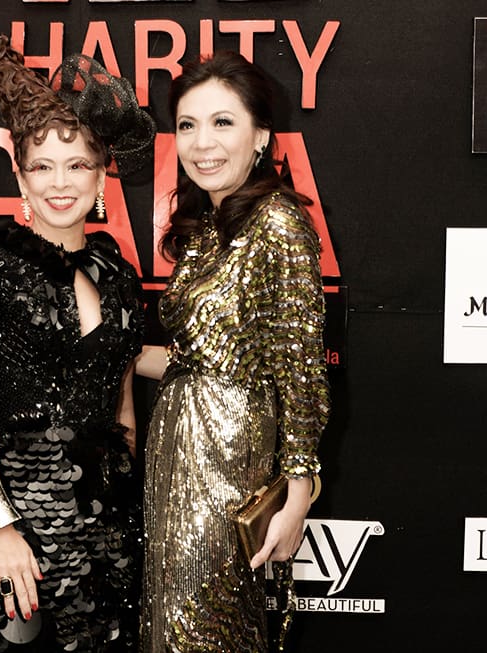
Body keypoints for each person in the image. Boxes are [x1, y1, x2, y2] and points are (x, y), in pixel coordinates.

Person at [0, 21, 156, 653]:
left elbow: (121, 402)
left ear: (100, 177)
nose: (60, 183)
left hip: (108, 527)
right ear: (21, 178)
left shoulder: (117, 272)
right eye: (43, 166)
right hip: (19, 524)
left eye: (77, 165)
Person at [136, 50, 330, 653]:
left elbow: (301, 372)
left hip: (230, 467)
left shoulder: (278, 225)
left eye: (223, 122)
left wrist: (298, 493)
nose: (202, 143)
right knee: (169, 624)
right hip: (177, 454)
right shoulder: (205, 226)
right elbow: (194, 361)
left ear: (261, 136)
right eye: (187, 125)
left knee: (207, 629)